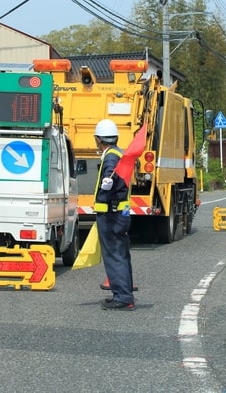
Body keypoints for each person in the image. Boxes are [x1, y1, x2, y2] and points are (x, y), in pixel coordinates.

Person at [93, 119, 135, 311]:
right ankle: (122, 293)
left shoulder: (110, 156)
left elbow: (111, 175)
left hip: (111, 214)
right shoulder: (119, 152)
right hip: (120, 213)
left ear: (99, 140)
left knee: (114, 255)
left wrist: (106, 186)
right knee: (121, 254)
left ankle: (123, 297)